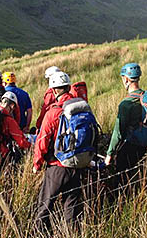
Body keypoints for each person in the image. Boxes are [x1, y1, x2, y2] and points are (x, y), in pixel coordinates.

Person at [33, 71, 82, 232]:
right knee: (71, 208)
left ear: (54, 90)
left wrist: (37, 164)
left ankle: (40, 234)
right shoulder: (81, 107)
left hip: (56, 166)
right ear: (68, 87)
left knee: (45, 206)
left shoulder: (53, 112)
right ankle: (72, 234)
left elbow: (42, 141)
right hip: (77, 164)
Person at [105, 63, 146, 187]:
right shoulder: (145, 97)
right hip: (144, 144)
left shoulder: (126, 104)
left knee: (121, 181)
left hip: (130, 146)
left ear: (126, 79)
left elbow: (118, 133)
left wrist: (109, 154)